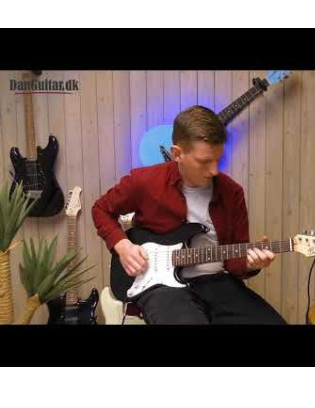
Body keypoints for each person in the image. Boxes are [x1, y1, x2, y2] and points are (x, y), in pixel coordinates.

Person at [92, 106, 286, 325]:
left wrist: (252, 264)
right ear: (177, 154)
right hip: (161, 289)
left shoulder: (232, 192)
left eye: (218, 159)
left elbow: (234, 262)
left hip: (217, 282)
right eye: (204, 161)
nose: (214, 170)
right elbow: (101, 209)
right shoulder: (145, 181)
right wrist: (123, 246)